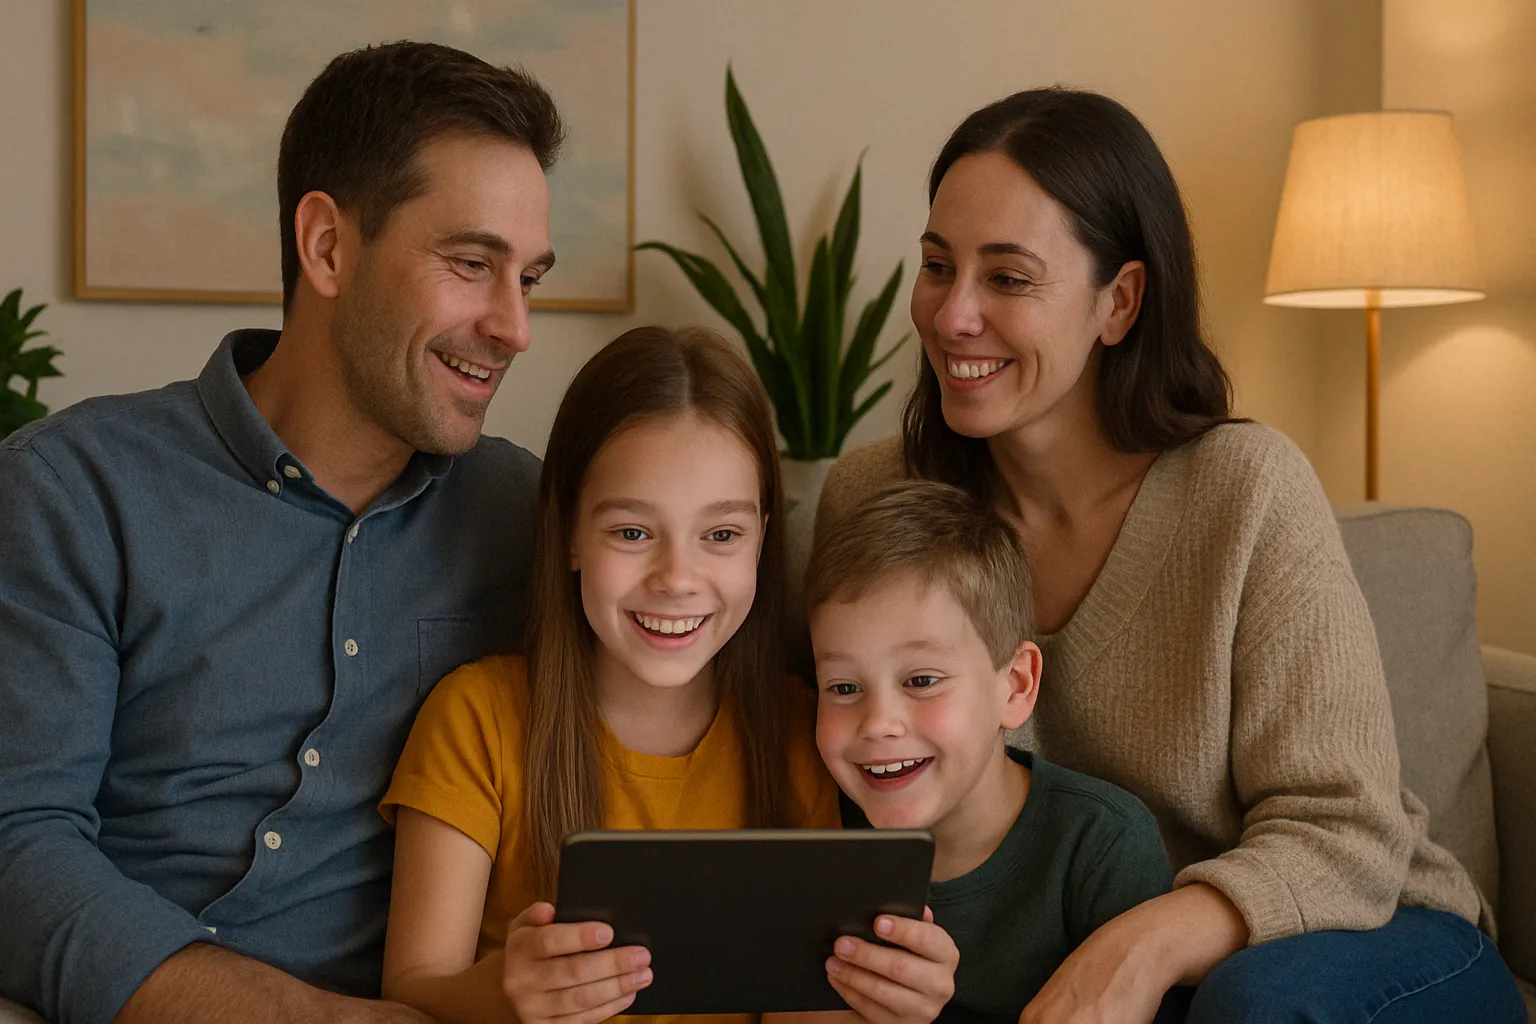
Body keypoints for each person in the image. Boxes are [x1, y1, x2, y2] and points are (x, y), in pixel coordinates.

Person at [813, 88, 1527, 1023]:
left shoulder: (1245, 490)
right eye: (937, 267)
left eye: (1008, 278)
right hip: (1114, 967)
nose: (951, 317)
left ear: (1120, 301)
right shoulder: (878, 498)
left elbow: (1349, 831)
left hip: (1363, 941)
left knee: (1246, 1004)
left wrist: (1138, 943)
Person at [0, 41, 564, 1024]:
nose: (514, 326)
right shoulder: (74, 491)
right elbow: (18, 843)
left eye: (531, 279)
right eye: (473, 264)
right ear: (328, 247)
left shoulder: (533, 518)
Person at [377, 326, 959, 1024]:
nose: (678, 579)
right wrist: (505, 994)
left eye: (721, 535)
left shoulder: (801, 730)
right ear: (566, 531)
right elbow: (411, 988)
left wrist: (882, 1000)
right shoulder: (476, 719)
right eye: (632, 532)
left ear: (764, 537)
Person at [806, 479, 1179, 1024]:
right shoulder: (816, 838)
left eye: (922, 679)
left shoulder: (1101, 844)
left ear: (1016, 686)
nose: (878, 724)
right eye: (843, 688)